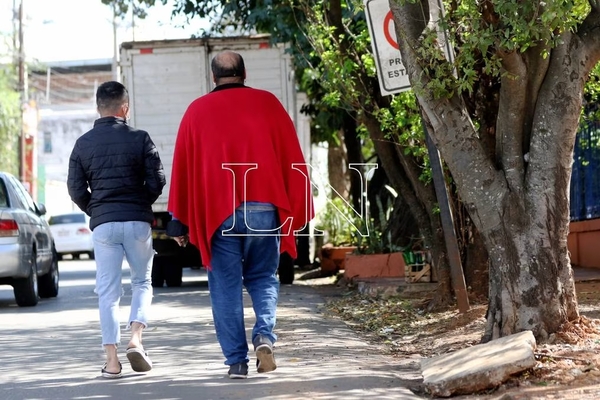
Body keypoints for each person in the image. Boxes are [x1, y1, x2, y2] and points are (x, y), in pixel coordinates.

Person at [168, 51, 313, 379]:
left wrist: (178, 220)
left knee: (225, 285)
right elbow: (292, 157)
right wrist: (298, 206)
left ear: (213, 76)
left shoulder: (196, 111)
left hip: (219, 214)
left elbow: (184, 168)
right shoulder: (268, 103)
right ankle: (264, 335)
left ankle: (236, 362)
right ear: (244, 73)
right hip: (264, 207)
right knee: (263, 277)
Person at [67, 81, 166, 379]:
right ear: (125, 108)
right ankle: (136, 337)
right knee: (142, 282)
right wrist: (139, 203)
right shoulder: (140, 138)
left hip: (104, 225)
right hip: (137, 221)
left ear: (98, 108)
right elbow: (157, 181)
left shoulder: (83, 143)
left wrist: (97, 209)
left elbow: (75, 188)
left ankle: (111, 361)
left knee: (108, 292)